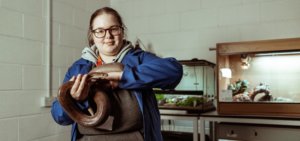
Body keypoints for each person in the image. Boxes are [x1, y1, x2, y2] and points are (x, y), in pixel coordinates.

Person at [51, 7, 183, 141]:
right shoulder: (78, 68)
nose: (108, 36)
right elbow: (59, 116)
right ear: (92, 35)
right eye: (100, 31)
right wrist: (76, 100)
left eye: (113, 28)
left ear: (122, 31)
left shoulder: (139, 59)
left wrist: (124, 77)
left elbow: (174, 71)